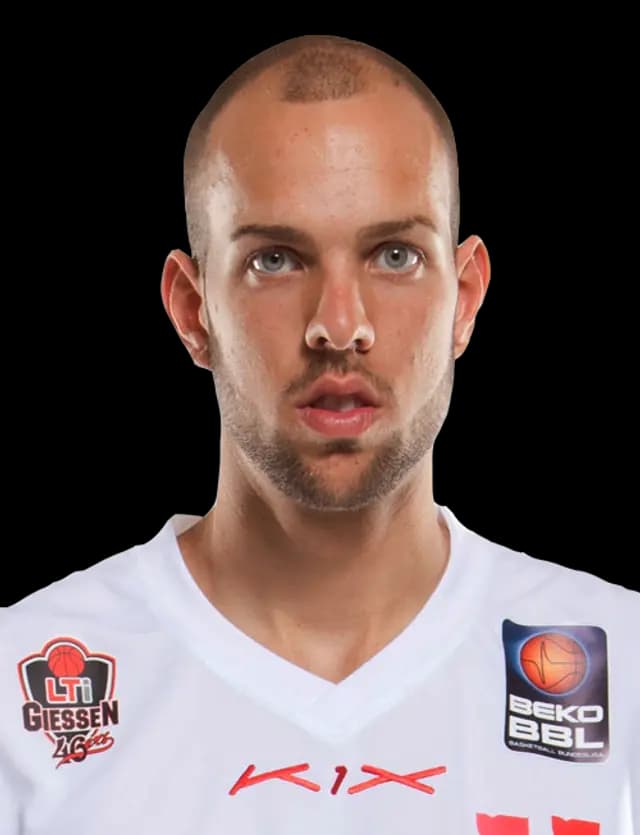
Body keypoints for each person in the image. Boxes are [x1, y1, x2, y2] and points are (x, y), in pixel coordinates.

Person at [1, 33, 638, 835]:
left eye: (395, 255)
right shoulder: (16, 694)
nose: (340, 326)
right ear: (193, 311)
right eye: (275, 260)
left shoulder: (625, 665)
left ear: (466, 298)